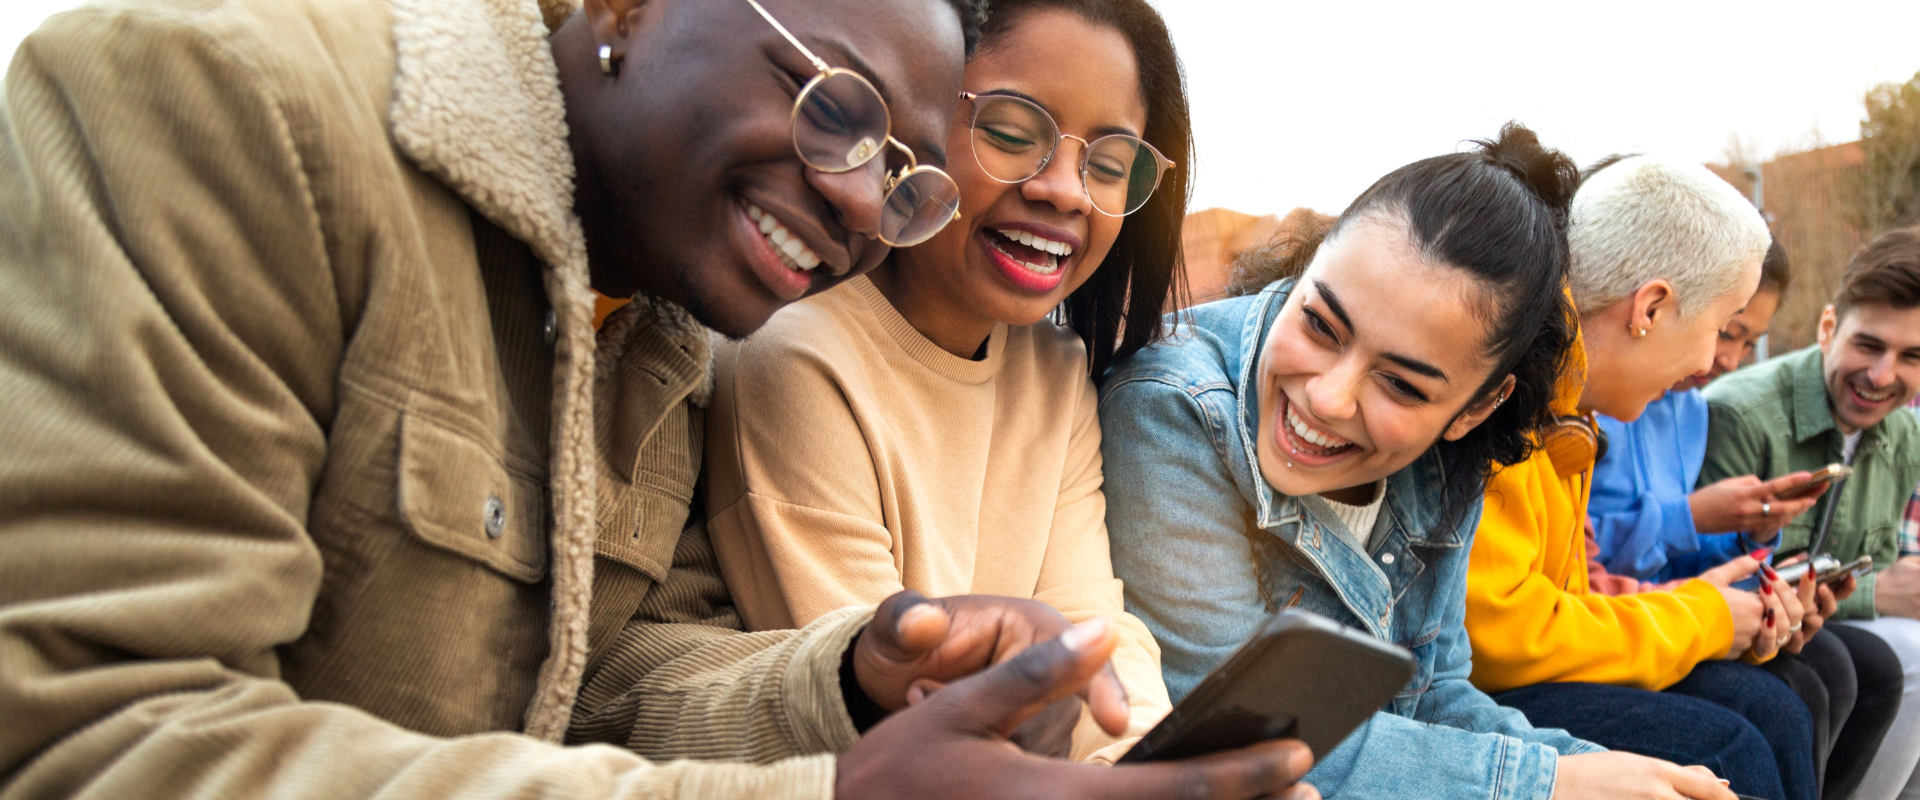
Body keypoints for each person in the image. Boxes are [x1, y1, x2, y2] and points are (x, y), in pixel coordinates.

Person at [0, 0, 1320, 797]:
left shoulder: (669, 321)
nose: (866, 207)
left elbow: (597, 678)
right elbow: (89, 737)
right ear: (627, 7)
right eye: (832, 106)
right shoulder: (228, 103)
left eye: (910, 173)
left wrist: (852, 679)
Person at [1103, 124, 1744, 800]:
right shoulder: (1169, 407)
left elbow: (1433, 690)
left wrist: (1612, 771)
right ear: (1310, 268)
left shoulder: (1454, 457)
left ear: (1477, 407)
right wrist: (1551, 782)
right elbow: (1236, 739)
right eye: (1321, 324)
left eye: (1402, 385)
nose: (1326, 397)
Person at [704, 0, 1187, 762]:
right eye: (1009, 133)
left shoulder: (1055, 377)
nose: (1065, 190)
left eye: (1107, 165)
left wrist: (1168, 774)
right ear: (907, 118)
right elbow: (894, 712)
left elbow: (1094, 634)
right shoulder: (795, 355)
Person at [1464, 155, 1816, 800]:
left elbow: (1569, 596)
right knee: (1728, 743)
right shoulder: (1512, 397)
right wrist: (1703, 616)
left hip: (1527, 677)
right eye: (1719, 327)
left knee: (1779, 701)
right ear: (1650, 307)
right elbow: (1502, 639)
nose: (1714, 361)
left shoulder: (1573, 407)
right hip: (1475, 701)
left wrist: (1701, 601)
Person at [1588, 237, 1902, 799]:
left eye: (1748, 341)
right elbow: (1586, 560)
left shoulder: (1686, 406)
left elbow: (1690, 556)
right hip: (1626, 618)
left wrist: (1755, 542)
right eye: (1724, 332)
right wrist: (1690, 519)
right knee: (1776, 706)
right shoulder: (1609, 406)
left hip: (1665, 603)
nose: (1723, 362)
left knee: (1846, 667)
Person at [1702, 226, 1920, 800]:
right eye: (1869, 345)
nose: (1881, 376)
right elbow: (1709, 565)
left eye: (1912, 357)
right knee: (1875, 667)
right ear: (1829, 328)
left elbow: (1882, 561)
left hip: (1815, 619)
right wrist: (1877, 594)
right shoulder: (1740, 415)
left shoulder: (1905, 435)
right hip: (1743, 620)